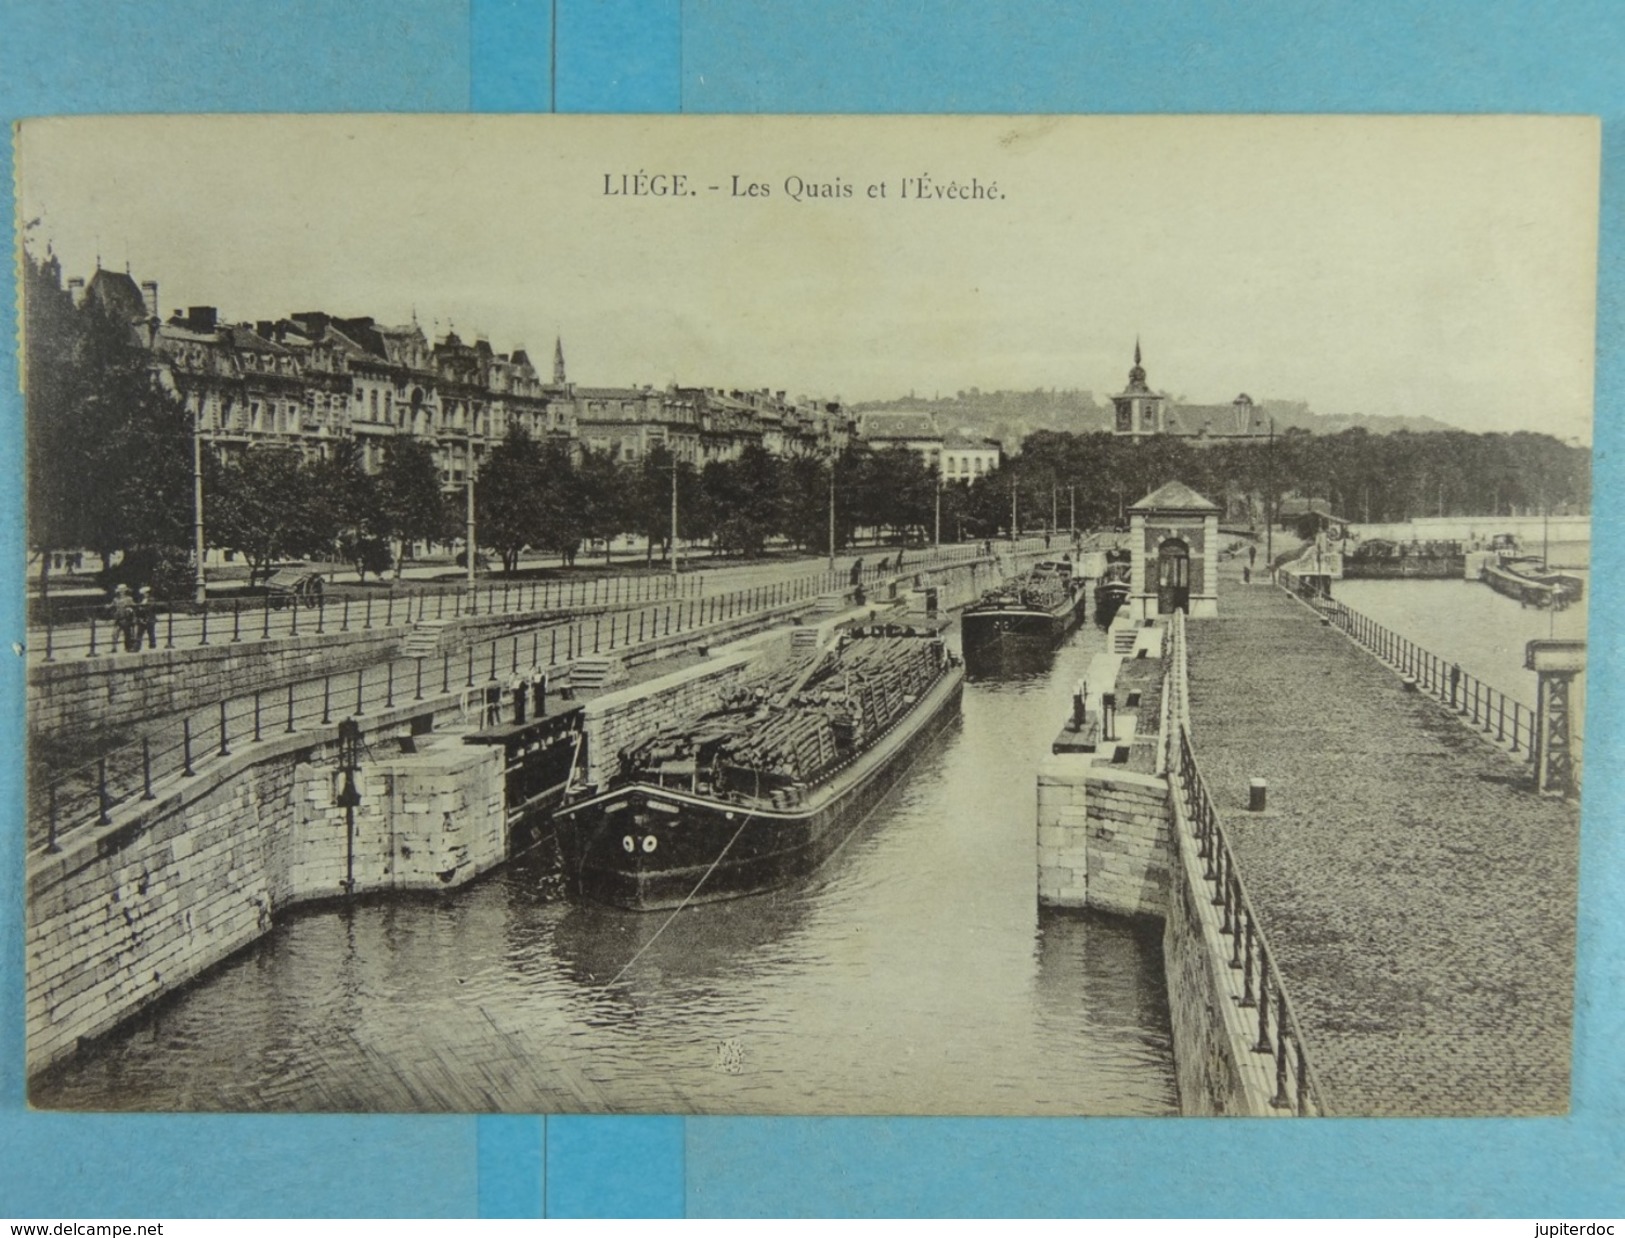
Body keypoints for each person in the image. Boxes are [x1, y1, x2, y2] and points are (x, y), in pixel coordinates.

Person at [110, 584, 136, 652]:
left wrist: (130, 611)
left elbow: (134, 607)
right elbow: (112, 606)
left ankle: (128, 647)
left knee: (127, 633)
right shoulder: (115, 599)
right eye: (120, 591)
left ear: (125, 591)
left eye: (122, 591)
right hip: (118, 618)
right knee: (114, 633)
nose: (121, 592)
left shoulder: (129, 599)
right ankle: (114, 647)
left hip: (126, 618)